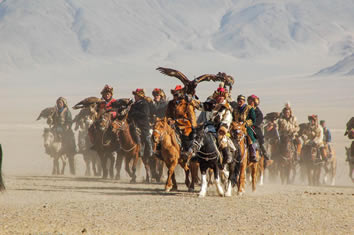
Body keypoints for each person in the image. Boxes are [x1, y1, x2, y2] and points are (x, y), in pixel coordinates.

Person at [166, 85, 199, 157]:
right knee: (162, 134)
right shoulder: (170, 103)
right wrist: (169, 120)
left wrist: (194, 127)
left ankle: (186, 151)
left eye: (176, 94)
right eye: (174, 95)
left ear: (181, 94)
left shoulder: (187, 104)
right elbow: (168, 115)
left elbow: (192, 117)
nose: (175, 96)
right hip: (172, 125)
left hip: (184, 125)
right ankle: (159, 150)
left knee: (185, 136)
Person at [203, 86, 234, 163]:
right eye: (219, 96)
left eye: (222, 96)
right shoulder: (210, 104)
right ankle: (199, 154)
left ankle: (227, 155)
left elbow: (228, 118)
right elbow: (200, 106)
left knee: (221, 137)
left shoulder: (227, 106)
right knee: (201, 135)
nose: (220, 98)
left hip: (222, 126)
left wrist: (223, 125)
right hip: (210, 125)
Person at [51, 97, 77, 174]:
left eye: (60, 103)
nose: (59, 104)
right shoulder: (54, 111)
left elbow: (69, 121)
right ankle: (49, 150)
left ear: (63, 103)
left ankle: (72, 150)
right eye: (58, 103)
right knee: (48, 136)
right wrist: (50, 120)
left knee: (70, 141)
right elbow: (52, 120)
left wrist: (67, 126)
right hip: (56, 128)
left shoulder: (67, 111)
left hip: (65, 130)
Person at [248, 95, 273, 166]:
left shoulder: (258, 112)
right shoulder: (246, 109)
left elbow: (258, 121)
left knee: (261, 139)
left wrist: (251, 123)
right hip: (245, 127)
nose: (250, 102)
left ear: (255, 102)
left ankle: (266, 155)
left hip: (254, 128)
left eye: (252, 101)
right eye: (249, 100)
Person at [128, 89, 153, 158]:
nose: (135, 97)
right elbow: (130, 114)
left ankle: (150, 150)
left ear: (140, 96)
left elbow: (145, 114)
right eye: (135, 95)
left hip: (143, 124)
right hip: (134, 124)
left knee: (145, 136)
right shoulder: (133, 105)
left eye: (136, 95)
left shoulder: (144, 103)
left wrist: (134, 112)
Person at [232, 95, 257, 162]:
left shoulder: (249, 108)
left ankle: (253, 154)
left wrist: (245, 124)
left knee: (250, 138)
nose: (239, 102)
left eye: (241, 100)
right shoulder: (235, 109)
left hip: (246, 127)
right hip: (236, 127)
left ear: (244, 101)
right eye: (238, 100)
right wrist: (234, 124)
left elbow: (253, 119)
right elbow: (233, 118)